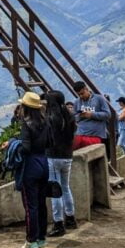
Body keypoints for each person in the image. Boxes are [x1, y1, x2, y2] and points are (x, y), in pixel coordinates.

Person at [16, 91, 50, 248]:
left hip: (30, 165)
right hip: (44, 163)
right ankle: (42, 237)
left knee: (31, 206)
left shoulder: (26, 124)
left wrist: (14, 145)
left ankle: (32, 240)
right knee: (41, 202)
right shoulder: (45, 122)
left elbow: (26, 147)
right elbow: (50, 142)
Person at [45, 91, 77, 237]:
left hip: (53, 156)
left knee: (55, 190)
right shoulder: (69, 116)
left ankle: (58, 224)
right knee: (65, 187)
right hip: (67, 156)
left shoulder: (50, 118)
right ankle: (70, 218)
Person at [72, 81, 110, 148]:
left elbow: (107, 114)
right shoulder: (77, 102)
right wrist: (81, 116)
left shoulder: (99, 98)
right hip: (80, 134)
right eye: (79, 95)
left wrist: (92, 115)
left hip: (96, 135)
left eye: (82, 93)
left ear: (86, 89)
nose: (81, 96)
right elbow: (73, 117)